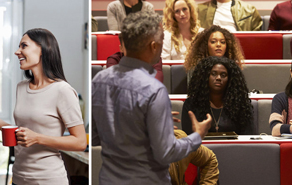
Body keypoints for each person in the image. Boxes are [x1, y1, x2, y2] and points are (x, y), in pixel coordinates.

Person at [91, 12, 212, 184]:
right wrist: (197, 136)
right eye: (163, 39)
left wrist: (145, 122)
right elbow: (166, 153)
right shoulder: (153, 90)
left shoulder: (98, 81)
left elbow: (95, 138)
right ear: (154, 46)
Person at [0, 28, 87, 184]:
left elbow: (80, 142)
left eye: (23, 46)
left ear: (42, 49)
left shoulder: (62, 91)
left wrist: (37, 138)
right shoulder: (22, 87)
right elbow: (20, 133)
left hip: (48, 179)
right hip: (19, 177)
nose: (17, 52)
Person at [181, 56, 255, 135]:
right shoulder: (192, 104)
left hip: (234, 147)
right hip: (201, 147)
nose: (218, 78)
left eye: (223, 75)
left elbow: (247, 136)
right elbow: (188, 137)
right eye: (213, 74)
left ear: (230, 79)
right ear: (205, 77)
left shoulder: (241, 104)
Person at [197, 0, 262, 31]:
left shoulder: (249, 9)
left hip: (240, 48)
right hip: (209, 51)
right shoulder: (199, 10)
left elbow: (256, 37)